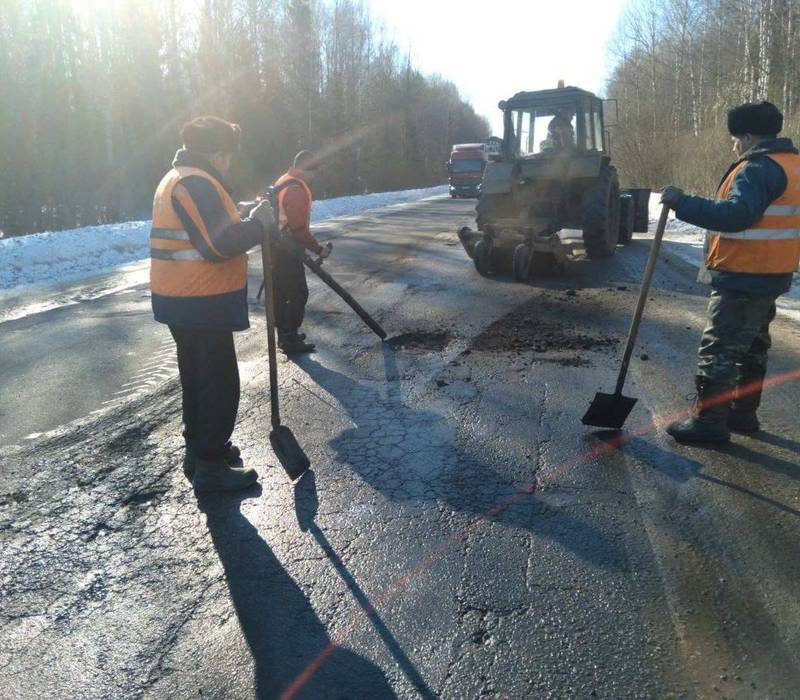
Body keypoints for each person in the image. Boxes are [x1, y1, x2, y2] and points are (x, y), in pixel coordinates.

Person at [660, 101, 800, 443]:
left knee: (720, 350)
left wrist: (683, 203)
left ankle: (709, 424)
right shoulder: (793, 164)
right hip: (772, 273)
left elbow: (737, 216)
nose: (733, 144)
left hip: (744, 274)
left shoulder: (757, 168)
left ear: (749, 137)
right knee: (753, 346)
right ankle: (742, 415)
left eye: (735, 138)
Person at [150, 116, 277, 491]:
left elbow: (208, 224)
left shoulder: (181, 176)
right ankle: (210, 465)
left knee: (197, 379)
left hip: (184, 300)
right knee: (218, 382)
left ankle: (202, 451)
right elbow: (218, 244)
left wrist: (244, 212)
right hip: (198, 301)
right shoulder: (195, 182)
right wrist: (259, 226)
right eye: (228, 156)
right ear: (218, 152)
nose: (230, 163)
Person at [271, 150, 331, 355]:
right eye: (315, 172)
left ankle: (285, 335)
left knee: (280, 293)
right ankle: (289, 339)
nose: (315, 176)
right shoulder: (296, 189)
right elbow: (298, 229)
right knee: (298, 293)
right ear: (309, 170)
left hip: (274, 247)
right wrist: (318, 249)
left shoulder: (284, 180)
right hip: (287, 249)